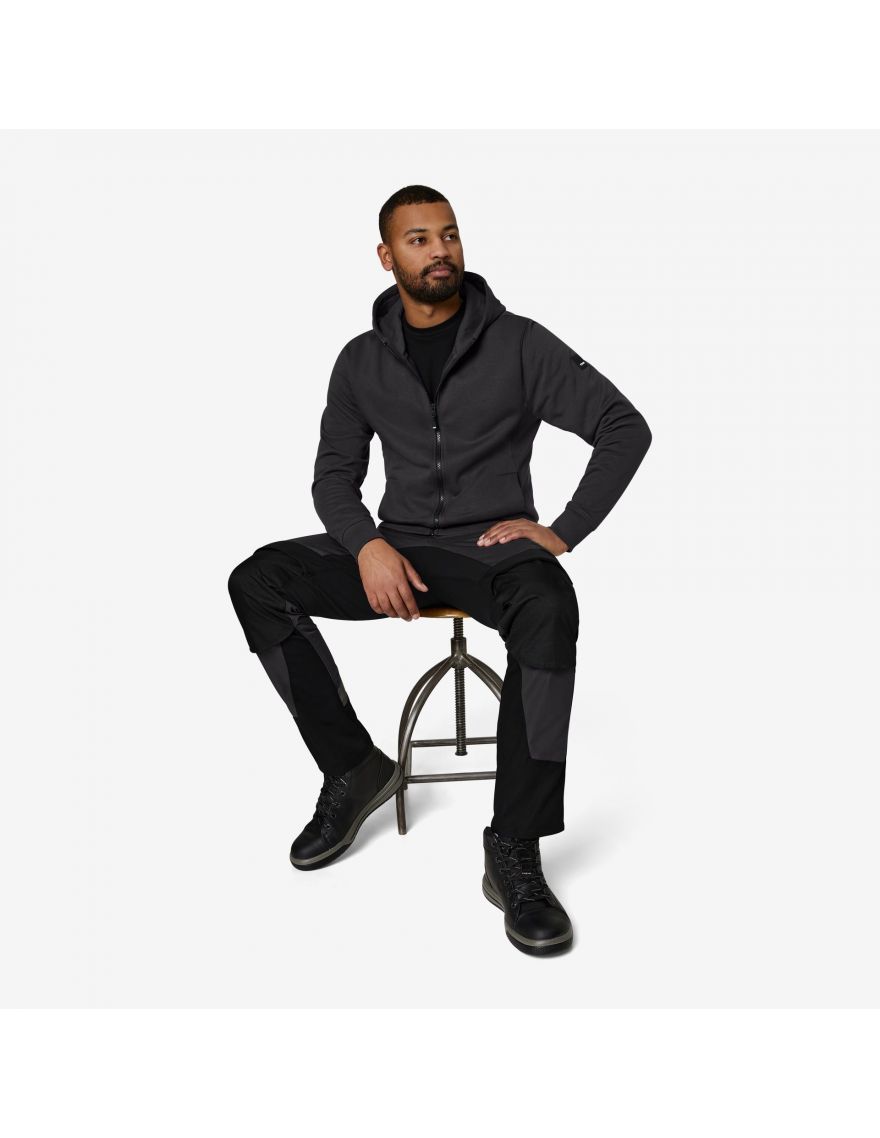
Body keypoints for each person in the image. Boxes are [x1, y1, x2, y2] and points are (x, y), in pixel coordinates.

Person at [228, 185, 652, 956]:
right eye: (419, 239)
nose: (440, 251)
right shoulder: (360, 361)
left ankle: (514, 845)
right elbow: (332, 477)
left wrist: (562, 532)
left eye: (449, 235)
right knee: (257, 579)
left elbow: (624, 426)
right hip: (396, 548)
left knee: (549, 606)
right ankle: (353, 769)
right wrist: (367, 546)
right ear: (387, 257)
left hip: (490, 553)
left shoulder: (519, 343)